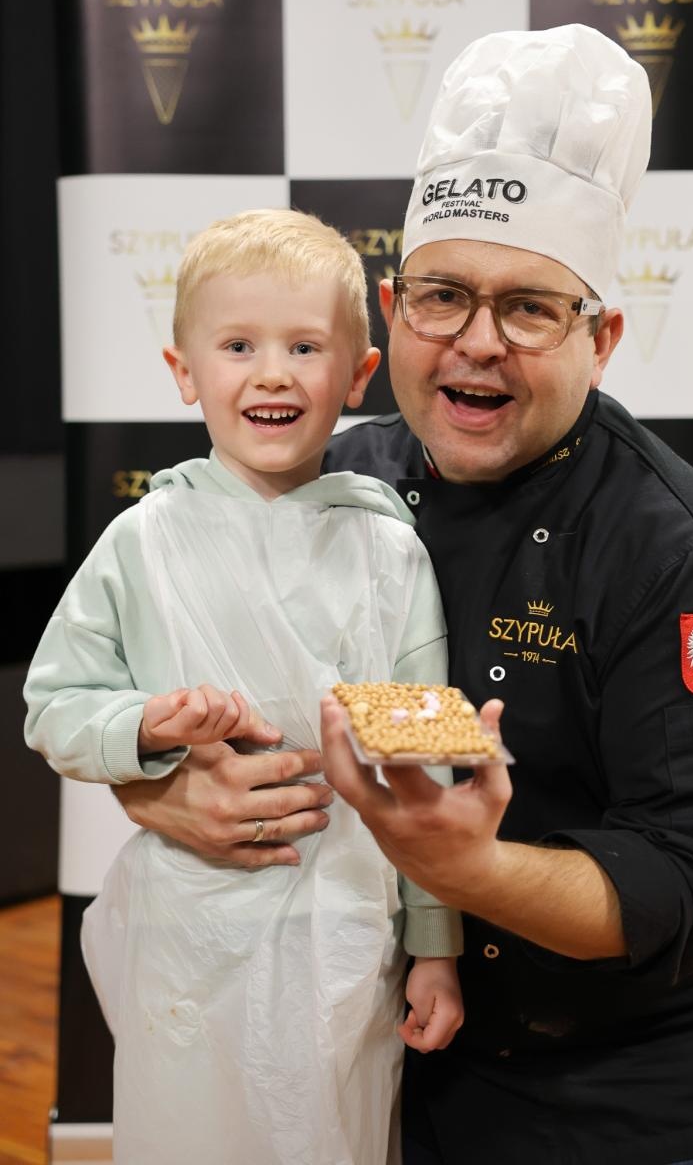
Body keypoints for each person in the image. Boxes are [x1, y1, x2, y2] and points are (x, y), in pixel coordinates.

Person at [112, 26, 693, 1165]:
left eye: (530, 308)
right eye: (442, 297)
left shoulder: (680, 557)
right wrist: (165, 797)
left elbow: (692, 886)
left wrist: (462, 870)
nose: (476, 343)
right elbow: (156, 690)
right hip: (379, 1070)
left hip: (621, 1112)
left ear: (602, 336)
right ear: (389, 310)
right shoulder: (326, 482)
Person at [24, 208, 464, 1165]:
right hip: (186, 940)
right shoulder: (144, 543)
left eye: (304, 346)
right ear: (185, 371)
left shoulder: (389, 554)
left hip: (343, 940)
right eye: (237, 345)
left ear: (356, 374)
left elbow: (425, 764)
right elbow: (53, 708)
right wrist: (143, 725)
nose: (271, 372)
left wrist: (436, 945)